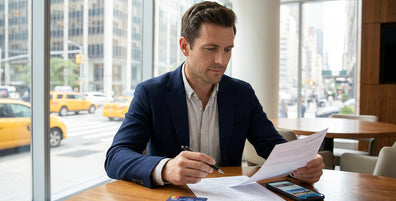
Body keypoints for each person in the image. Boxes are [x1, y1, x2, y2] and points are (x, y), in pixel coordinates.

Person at [105, 1, 324, 188]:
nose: (221, 60)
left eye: (228, 49)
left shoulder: (242, 93)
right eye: (211, 49)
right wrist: (165, 168)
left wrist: (300, 164)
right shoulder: (151, 93)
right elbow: (116, 156)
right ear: (185, 46)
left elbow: (271, 145)